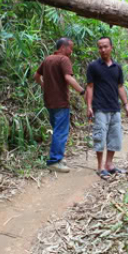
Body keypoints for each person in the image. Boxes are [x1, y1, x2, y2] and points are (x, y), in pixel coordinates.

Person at [34, 38, 86, 173]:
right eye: (71, 48)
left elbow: (36, 76)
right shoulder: (64, 60)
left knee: (57, 129)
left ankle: (58, 158)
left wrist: (44, 85)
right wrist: (82, 91)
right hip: (61, 101)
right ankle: (54, 161)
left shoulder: (47, 59)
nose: (71, 51)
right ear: (63, 47)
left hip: (49, 101)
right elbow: (68, 78)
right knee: (61, 131)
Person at [86, 37, 128, 179]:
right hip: (100, 107)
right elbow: (90, 87)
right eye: (100, 47)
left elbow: (120, 87)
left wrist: (126, 105)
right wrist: (89, 106)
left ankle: (109, 164)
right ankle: (100, 167)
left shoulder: (117, 67)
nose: (103, 50)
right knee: (100, 136)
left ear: (111, 47)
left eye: (105, 46)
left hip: (114, 107)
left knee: (115, 136)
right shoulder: (93, 66)